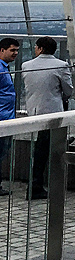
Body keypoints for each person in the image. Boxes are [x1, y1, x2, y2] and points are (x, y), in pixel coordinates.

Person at [21, 36, 73, 199]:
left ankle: (36, 184)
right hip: (52, 111)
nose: (35, 49)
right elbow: (69, 91)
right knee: (43, 147)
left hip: (33, 110)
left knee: (42, 144)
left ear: (41, 49)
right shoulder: (61, 66)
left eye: (36, 47)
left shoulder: (26, 65)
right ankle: (36, 185)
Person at [0, 37, 20, 197]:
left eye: (17, 51)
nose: (16, 54)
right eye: (12, 50)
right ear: (2, 50)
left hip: (6, 117)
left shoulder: (4, 68)